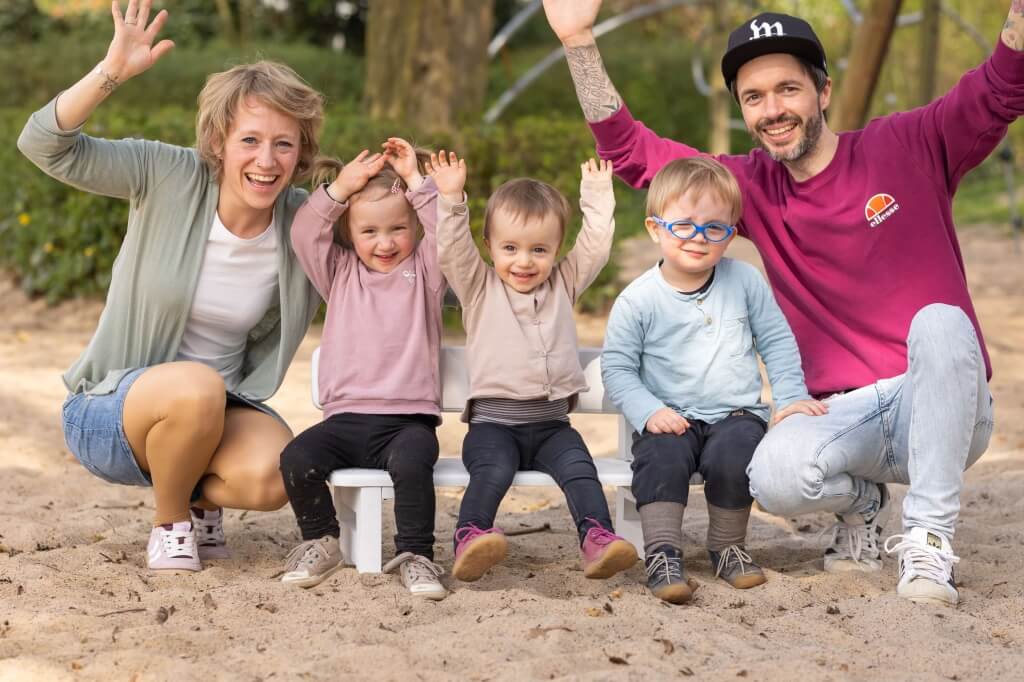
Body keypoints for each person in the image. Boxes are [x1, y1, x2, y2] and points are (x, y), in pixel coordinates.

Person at [542, 0, 1017, 606]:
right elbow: (634, 155)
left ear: (823, 91)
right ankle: (864, 504)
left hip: (943, 399)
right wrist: (579, 41)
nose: (773, 110)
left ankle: (928, 541)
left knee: (944, 323)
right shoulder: (749, 189)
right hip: (841, 418)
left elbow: (1000, 88)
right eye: (754, 96)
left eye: (788, 89)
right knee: (770, 475)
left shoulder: (910, 142)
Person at [17, 0, 324, 572]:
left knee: (276, 471)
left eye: (284, 143)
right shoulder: (167, 174)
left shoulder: (304, 222)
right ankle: (171, 524)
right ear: (218, 143)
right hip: (110, 411)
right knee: (196, 387)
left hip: (219, 410)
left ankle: (200, 498)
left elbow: (396, 272)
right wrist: (110, 73)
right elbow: (43, 145)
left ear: (301, 151)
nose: (267, 160)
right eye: (250, 140)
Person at [602, 157, 825, 603]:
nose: (699, 240)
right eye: (684, 226)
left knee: (737, 453)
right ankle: (664, 554)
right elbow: (617, 369)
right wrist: (650, 412)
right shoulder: (639, 300)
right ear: (655, 228)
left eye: (715, 228)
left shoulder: (744, 281)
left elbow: (776, 342)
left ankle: (727, 546)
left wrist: (790, 398)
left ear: (731, 233)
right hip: (670, 417)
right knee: (660, 461)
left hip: (734, 413)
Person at [429, 150, 638, 583]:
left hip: (552, 428)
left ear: (557, 249)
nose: (524, 261)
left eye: (539, 250)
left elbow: (596, 245)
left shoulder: (565, 281)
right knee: (493, 472)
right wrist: (451, 198)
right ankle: (470, 534)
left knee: (581, 469)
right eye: (510, 248)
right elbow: (451, 249)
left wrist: (598, 195)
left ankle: (597, 537)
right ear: (489, 247)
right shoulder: (479, 285)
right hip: (493, 428)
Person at [278, 138, 447, 600]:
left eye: (398, 228)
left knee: (413, 466)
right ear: (350, 233)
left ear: (414, 225)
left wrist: (417, 183)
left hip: (407, 422)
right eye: (369, 232)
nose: (386, 242)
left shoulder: (428, 273)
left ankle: (416, 554)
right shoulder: (339, 274)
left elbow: (449, 234)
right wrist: (340, 189)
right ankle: (320, 539)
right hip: (345, 420)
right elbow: (303, 232)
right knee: (297, 459)